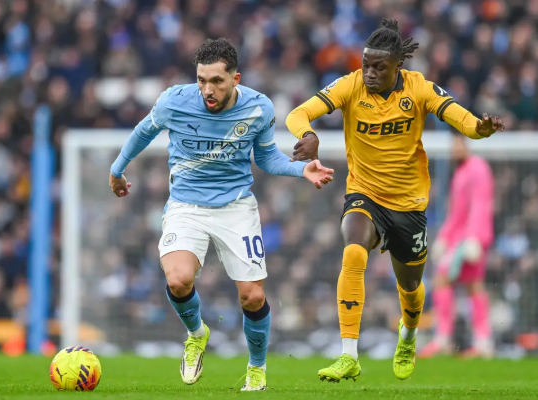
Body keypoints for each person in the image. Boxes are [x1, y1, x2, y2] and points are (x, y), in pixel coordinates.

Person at [108, 38, 333, 391]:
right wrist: (117, 169)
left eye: (216, 81)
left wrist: (299, 169)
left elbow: (266, 158)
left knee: (252, 296)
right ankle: (197, 334)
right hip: (186, 206)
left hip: (236, 208)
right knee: (178, 279)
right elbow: (143, 131)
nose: (207, 90)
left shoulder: (259, 108)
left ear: (235, 79)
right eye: (201, 80)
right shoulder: (173, 101)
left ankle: (256, 368)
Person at [285, 19, 504, 382]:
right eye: (365, 65)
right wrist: (308, 134)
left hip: (408, 205)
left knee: (411, 289)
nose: (369, 73)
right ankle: (348, 354)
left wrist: (479, 129)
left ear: (398, 65)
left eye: (378, 67)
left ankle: (408, 335)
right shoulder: (350, 85)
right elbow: (298, 113)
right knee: (353, 252)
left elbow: (461, 119)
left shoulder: (419, 88)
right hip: (364, 193)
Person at [419, 129, 495, 358]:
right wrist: (444, 236)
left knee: (443, 280)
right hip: (461, 237)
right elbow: (457, 211)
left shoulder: (477, 168)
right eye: (453, 145)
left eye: (458, 144)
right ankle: (482, 342)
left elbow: (481, 205)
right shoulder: (462, 170)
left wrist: (475, 238)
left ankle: (446, 339)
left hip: (470, 238)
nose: (454, 149)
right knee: (473, 285)